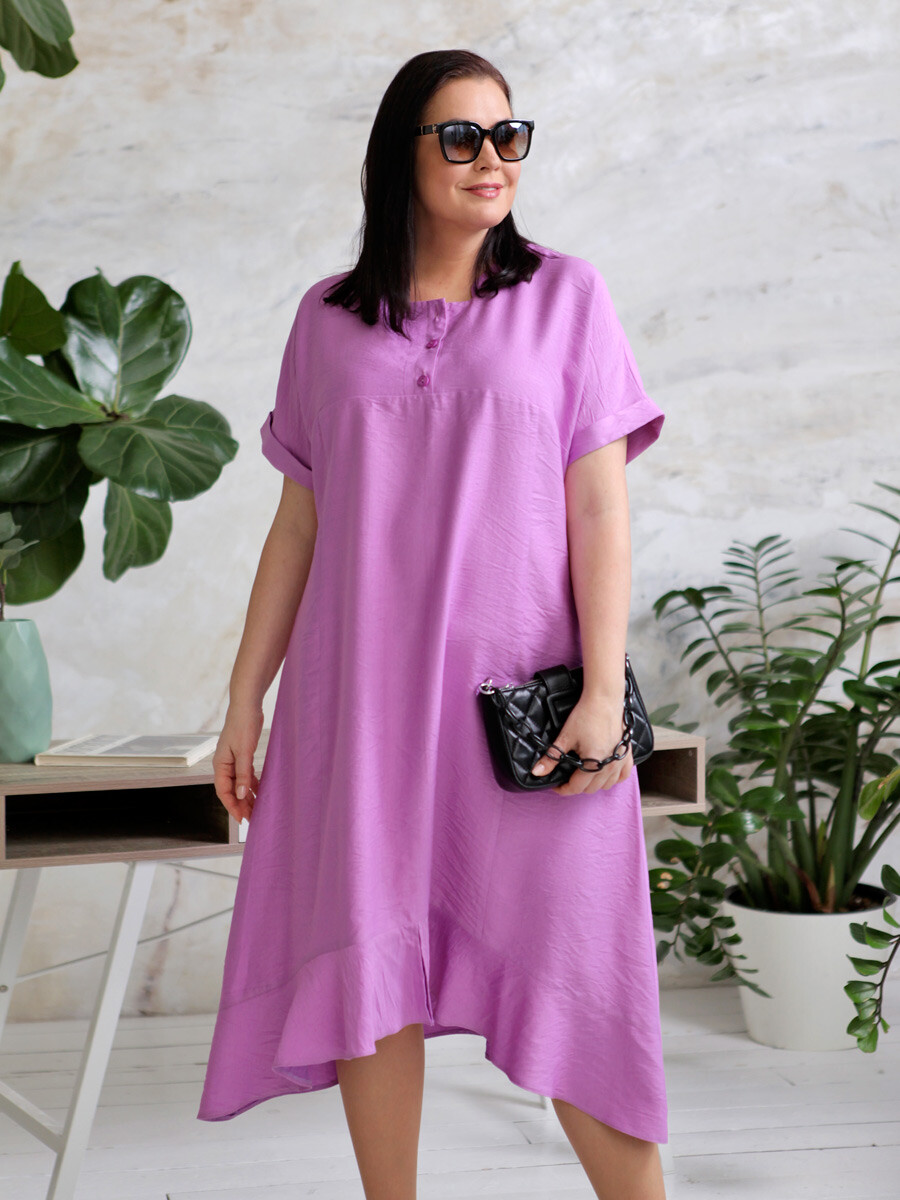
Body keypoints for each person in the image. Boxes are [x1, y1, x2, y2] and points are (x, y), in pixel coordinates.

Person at [197, 48, 668, 1200]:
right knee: (370, 974)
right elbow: (299, 525)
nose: (492, 159)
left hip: (525, 713)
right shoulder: (327, 320)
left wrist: (605, 689)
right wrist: (245, 696)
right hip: (358, 704)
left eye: (510, 135)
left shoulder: (567, 297)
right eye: (462, 137)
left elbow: (599, 506)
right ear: (398, 155)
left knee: (574, 976)